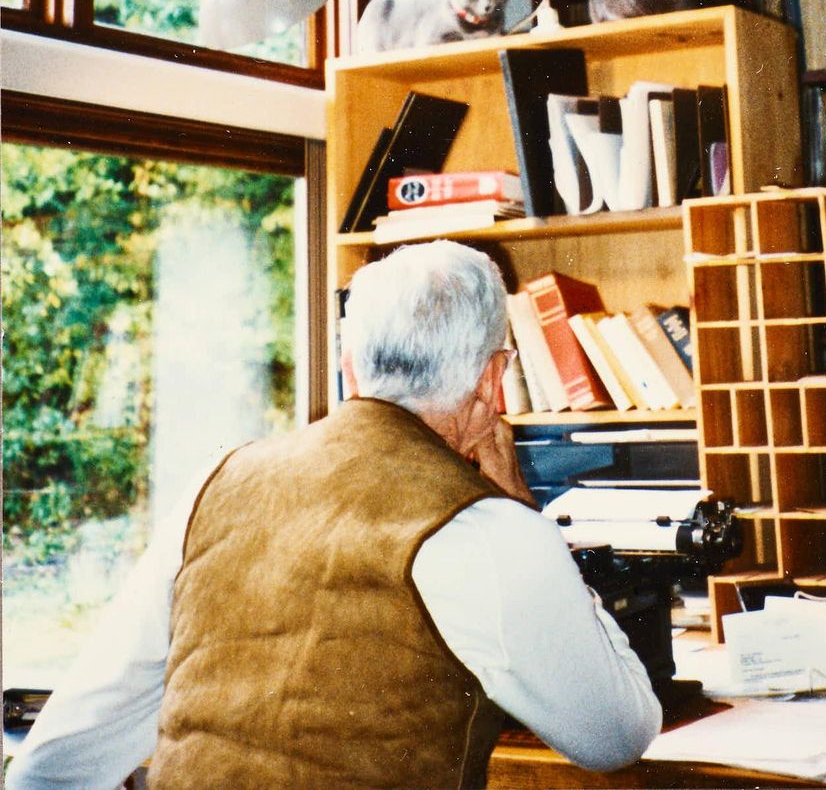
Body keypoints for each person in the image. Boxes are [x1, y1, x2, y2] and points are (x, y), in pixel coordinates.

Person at [9, 240, 662, 788]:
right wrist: (521, 505)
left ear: (350, 366)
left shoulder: (217, 484)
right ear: (494, 381)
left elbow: (55, 760)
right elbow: (615, 735)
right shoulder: (491, 530)